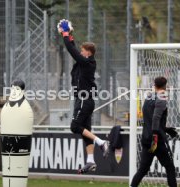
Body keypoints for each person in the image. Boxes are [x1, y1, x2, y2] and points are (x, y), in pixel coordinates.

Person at [57, 19, 109, 174]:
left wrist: (65, 34)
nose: (80, 52)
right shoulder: (83, 62)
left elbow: (70, 50)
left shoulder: (88, 63)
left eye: (83, 50)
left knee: (75, 127)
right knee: (85, 131)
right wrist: (70, 36)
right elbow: (73, 48)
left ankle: (102, 142)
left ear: (89, 53)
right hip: (85, 100)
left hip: (84, 99)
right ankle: (90, 161)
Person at [131, 76, 178, 187]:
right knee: (170, 167)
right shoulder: (162, 97)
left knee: (143, 169)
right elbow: (156, 118)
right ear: (165, 86)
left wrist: (165, 129)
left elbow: (149, 118)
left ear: (155, 85)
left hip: (147, 138)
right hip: (156, 140)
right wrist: (156, 135)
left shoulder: (148, 97)